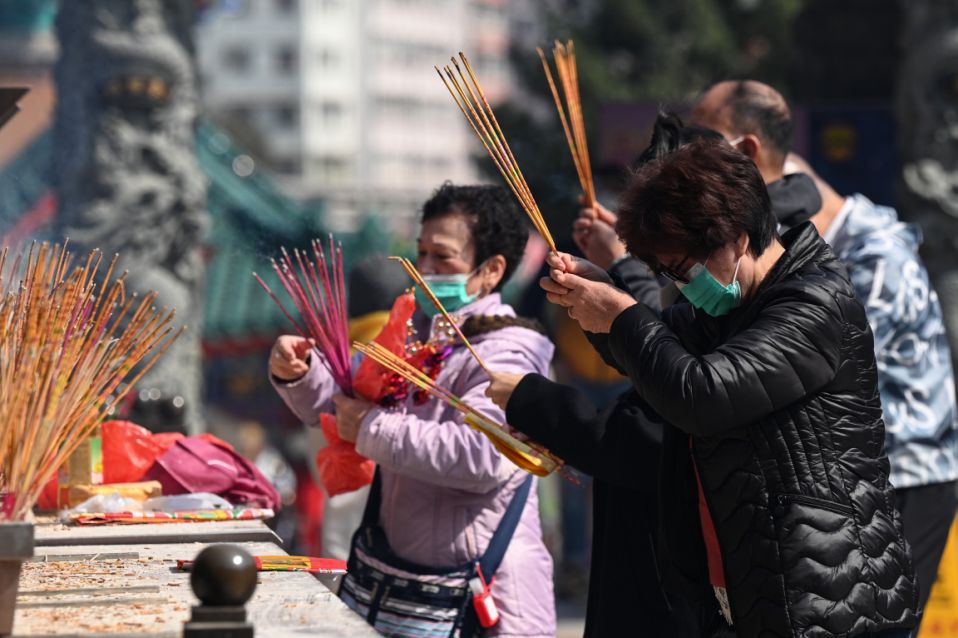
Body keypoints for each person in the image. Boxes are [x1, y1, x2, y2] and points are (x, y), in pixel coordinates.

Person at [500, 139, 918, 637]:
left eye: (682, 270)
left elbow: (701, 394)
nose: (680, 285)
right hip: (755, 590)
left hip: (831, 597)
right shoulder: (729, 307)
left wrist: (622, 316)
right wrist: (598, 301)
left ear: (737, 238)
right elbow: (654, 355)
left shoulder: (813, 303)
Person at [691, 80, 958, 621]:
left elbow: (833, 378)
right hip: (845, 478)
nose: (691, 158)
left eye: (703, 140)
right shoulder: (796, 245)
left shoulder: (874, 255)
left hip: (905, 475)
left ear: (747, 151)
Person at [269, 183, 556, 636]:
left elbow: (482, 455)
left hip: (482, 600)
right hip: (410, 588)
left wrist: (370, 426)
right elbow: (344, 397)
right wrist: (300, 372)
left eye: (442, 257)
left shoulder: (509, 351)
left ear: (490, 270)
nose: (424, 269)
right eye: (421, 253)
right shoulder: (414, 333)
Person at [487, 114, 725, 637]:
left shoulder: (745, 313)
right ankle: (575, 556)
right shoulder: (696, 297)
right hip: (653, 555)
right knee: (583, 492)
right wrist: (607, 281)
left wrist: (532, 400)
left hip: (686, 577)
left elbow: (647, 431)